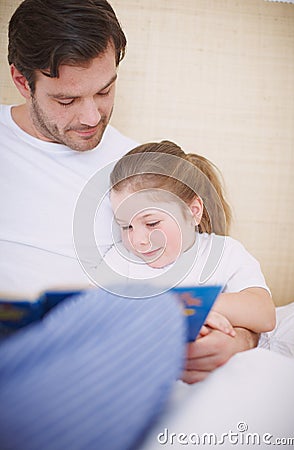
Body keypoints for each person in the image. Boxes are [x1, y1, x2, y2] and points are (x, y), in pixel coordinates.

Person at [0, 0, 258, 402]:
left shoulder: (137, 172)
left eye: (104, 90)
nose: (90, 117)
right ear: (22, 81)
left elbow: (213, 281)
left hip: (102, 359)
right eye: (67, 100)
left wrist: (239, 342)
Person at [97, 140, 276, 361]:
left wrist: (194, 307)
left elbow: (264, 314)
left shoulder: (224, 252)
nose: (138, 240)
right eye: (126, 226)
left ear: (193, 212)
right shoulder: (120, 260)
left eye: (152, 223)